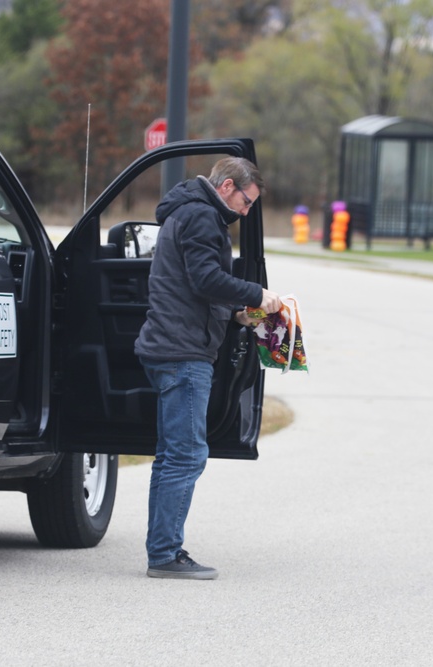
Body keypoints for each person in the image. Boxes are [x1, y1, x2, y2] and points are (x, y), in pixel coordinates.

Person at [134, 157, 282, 580]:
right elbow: (205, 278)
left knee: (171, 456)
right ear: (228, 186)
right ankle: (164, 555)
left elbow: (191, 286)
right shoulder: (201, 216)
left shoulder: (188, 211)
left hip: (169, 345)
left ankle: (162, 548)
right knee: (186, 456)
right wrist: (256, 294)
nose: (246, 212)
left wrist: (236, 317)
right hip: (182, 353)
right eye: (247, 202)